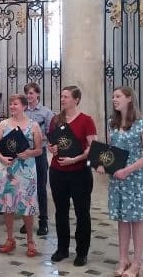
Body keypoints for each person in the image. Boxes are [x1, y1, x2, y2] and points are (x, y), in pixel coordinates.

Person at [104, 86, 143, 277]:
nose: (114, 100)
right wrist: (103, 165)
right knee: (122, 220)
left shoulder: (142, 124)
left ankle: (137, 263)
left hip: (136, 179)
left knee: (137, 220)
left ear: (128, 99)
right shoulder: (113, 123)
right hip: (117, 178)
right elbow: (110, 151)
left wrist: (127, 170)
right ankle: (123, 259)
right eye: (113, 97)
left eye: (118, 96)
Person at [47, 85, 97, 267]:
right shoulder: (55, 120)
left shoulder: (86, 120)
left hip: (79, 173)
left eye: (66, 96)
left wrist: (75, 159)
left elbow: (93, 147)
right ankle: (62, 249)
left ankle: (82, 252)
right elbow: (51, 143)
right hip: (57, 171)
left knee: (82, 213)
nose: (63, 99)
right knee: (60, 211)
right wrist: (51, 148)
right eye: (62, 96)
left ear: (76, 99)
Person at [0, 94, 43, 257]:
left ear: (24, 106)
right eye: (11, 104)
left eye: (15, 104)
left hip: (26, 172)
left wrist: (30, 152)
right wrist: (1, 158)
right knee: (8, 205)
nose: (12, 107)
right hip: (7, 170)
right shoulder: (3, 124)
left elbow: (40, 149)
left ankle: (30, 240)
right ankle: (10, 238)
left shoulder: (33, 126)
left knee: (27, 206)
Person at [21, 82, 54, 236]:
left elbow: (51, 133)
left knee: (40, 188)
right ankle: (27, 221)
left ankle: (43, 221)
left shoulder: (46, 113)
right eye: (27, 93)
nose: (29, 96)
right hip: (24, 154)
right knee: (26, 187)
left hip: (39, 153)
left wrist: (37, 137)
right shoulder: (22, 111)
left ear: (38, 95)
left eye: (32, 93)